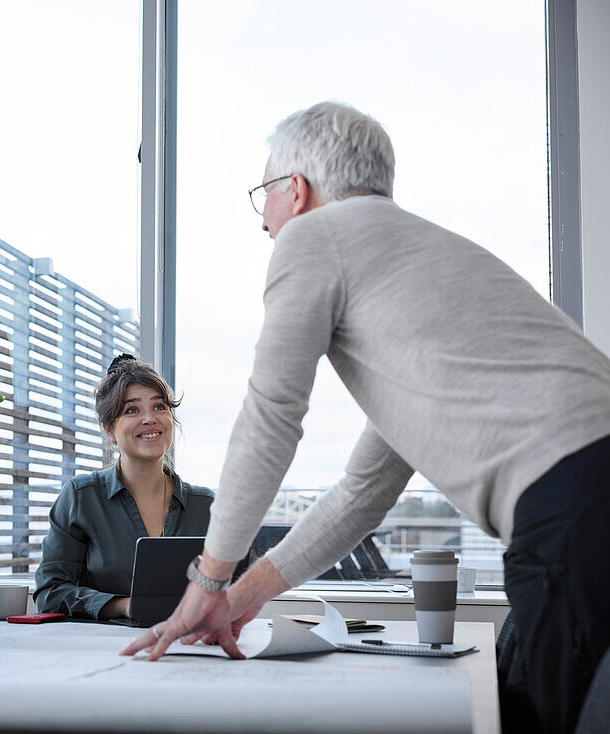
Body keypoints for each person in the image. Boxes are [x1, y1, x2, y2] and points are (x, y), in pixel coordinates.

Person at [122, 101, 610, 734]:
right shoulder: (424, 270)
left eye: (263, 196)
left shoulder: (314, 237)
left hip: (572, 502)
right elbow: (360, 496)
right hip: (583, 498)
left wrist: (208, 583)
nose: (264, 223)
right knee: (519, 696)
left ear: (295, 191)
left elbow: (271, 417)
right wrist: (240, 599)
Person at [34, 354, 214, 620]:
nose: (150, 419)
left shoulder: (206, 505)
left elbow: (229, 588)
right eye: (132, 410)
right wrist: (125, 605)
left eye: (160, 407)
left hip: (189, 647)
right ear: (109, 430)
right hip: (102, 650)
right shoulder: (82, 497)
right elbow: (50, 593)